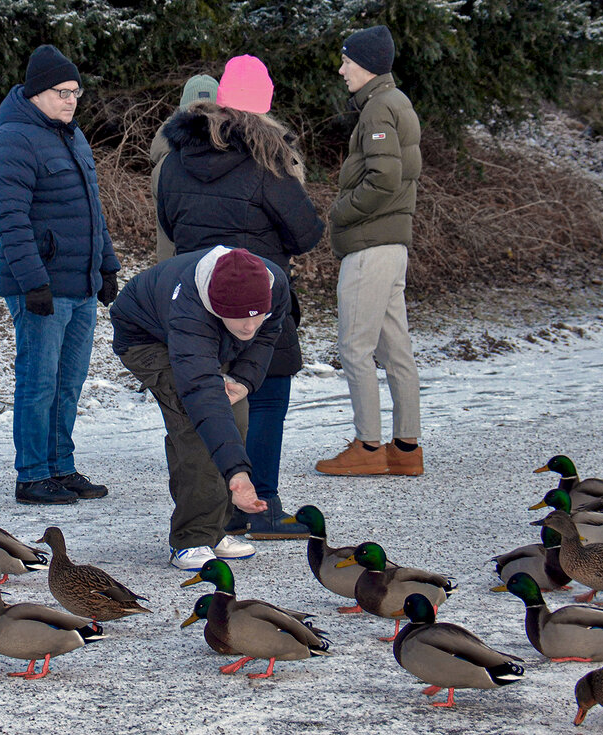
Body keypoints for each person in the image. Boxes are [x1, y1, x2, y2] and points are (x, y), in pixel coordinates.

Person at [156, 55, 324, 539]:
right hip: (256, 294)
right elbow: (305, 232)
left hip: (195, 295)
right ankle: (260, 506)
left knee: (208, 398)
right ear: (265, 107)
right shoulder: (269, 162)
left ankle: (217, 508)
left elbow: (170, 225)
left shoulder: (175, 160)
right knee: (268, 394)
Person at [0, 44, 121, 506]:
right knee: (39, 381)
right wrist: (32, 281)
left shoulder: (72, 136)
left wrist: (107, 266)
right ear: (36, 93)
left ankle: (61, 465)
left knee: (69, 382)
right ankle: (33, 474)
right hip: (43, 289)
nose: (71, 100)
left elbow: (91, 211)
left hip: (80, 284)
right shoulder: (13, 140)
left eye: (76, 92)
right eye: (62, 92)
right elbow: (10, 219)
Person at [111, 245, 291, 571]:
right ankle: (191, 537)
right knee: (194, 424)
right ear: (217, 306)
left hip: (204, 336)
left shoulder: (273, 283)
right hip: (146, 336)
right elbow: (201, 393)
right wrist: (237, 473)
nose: (250, 328)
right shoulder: (190, 308)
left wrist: (244, 379)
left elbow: (267, 336)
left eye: (256, 317)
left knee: (235, 414)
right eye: (240, 319)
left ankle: (214, 529)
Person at [315, 25, 424, 477]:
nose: (341, 70)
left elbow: (383, 180)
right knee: (395, 349)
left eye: (347, 61)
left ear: (368, 64)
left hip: (371, 244)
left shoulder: (379, 109)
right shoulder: (396, 103)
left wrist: (339, 213)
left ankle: (368, 446)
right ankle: (405, 448)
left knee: (355, 347)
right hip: (390, 244)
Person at [149, 73, 218, 261]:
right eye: (197, 112)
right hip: (181, 268)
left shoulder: (163, 165)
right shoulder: (167, 166)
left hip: (176, 268)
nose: (203, 121)